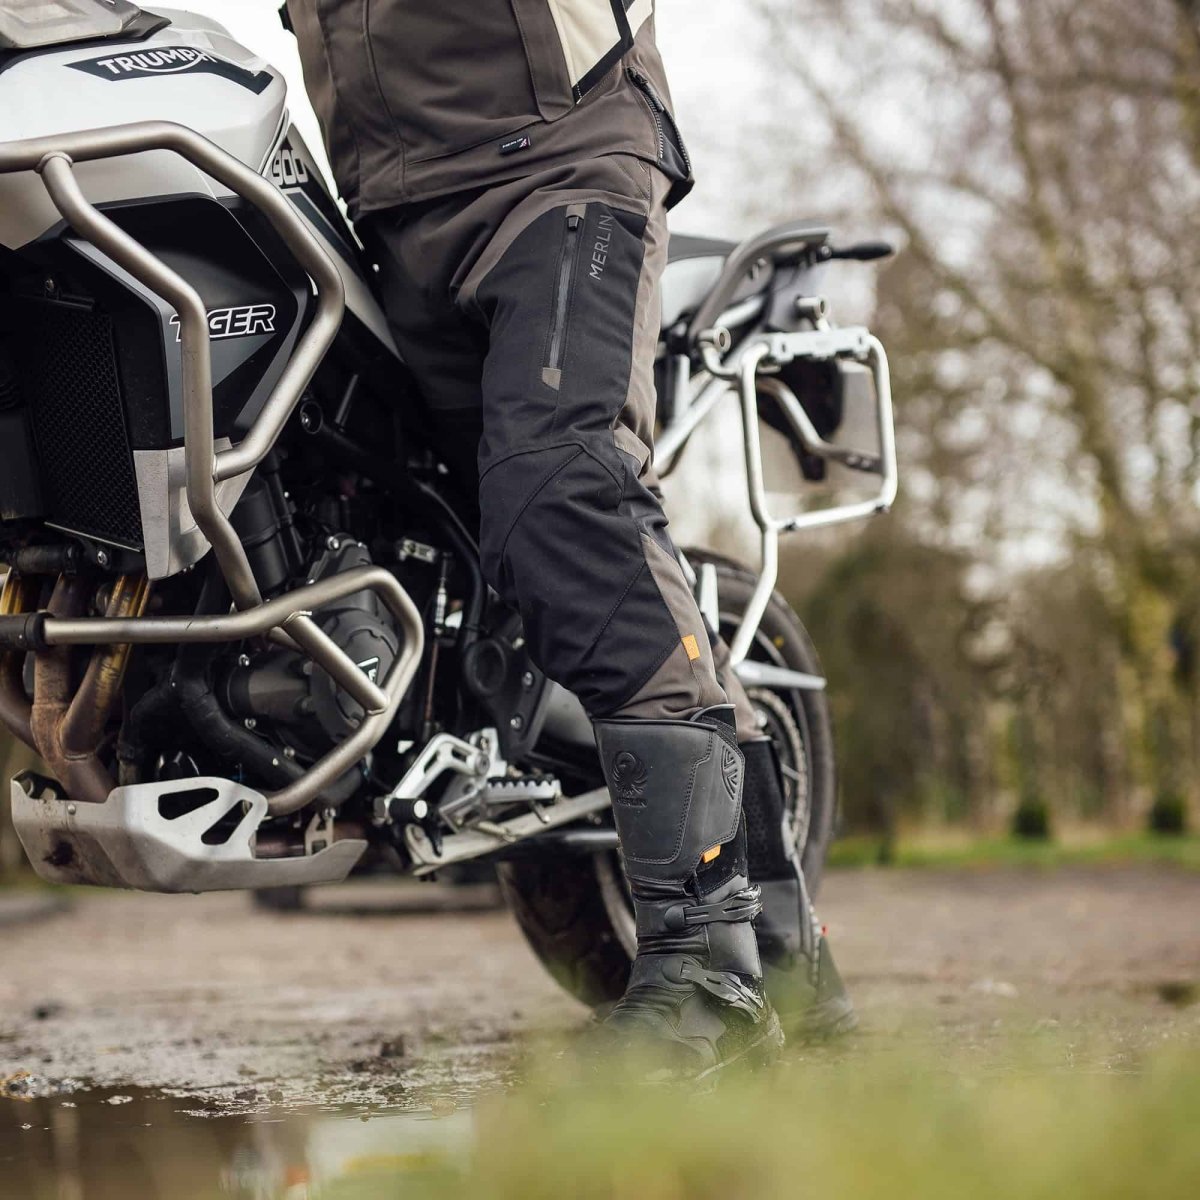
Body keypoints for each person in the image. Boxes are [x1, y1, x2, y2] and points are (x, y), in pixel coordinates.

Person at [285, 0, 854, 1078]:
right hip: (385, 206)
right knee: (471, 549)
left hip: (554, 164)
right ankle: (789, 976)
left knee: (562, 491)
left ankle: (709, 973)